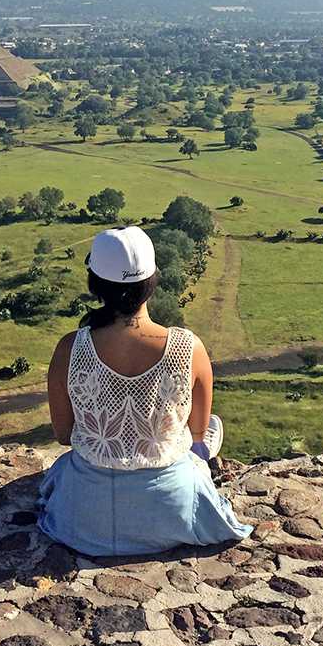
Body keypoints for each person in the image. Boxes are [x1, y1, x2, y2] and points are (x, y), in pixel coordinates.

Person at [38, 226, 252, 556]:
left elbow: (65, 436)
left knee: (64, 470)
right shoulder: (188, 348)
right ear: (153, 282)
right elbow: (196, 433)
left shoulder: (70, 348)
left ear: (95, 285)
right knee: (208, 431)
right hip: (172, 511)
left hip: (84, 518)